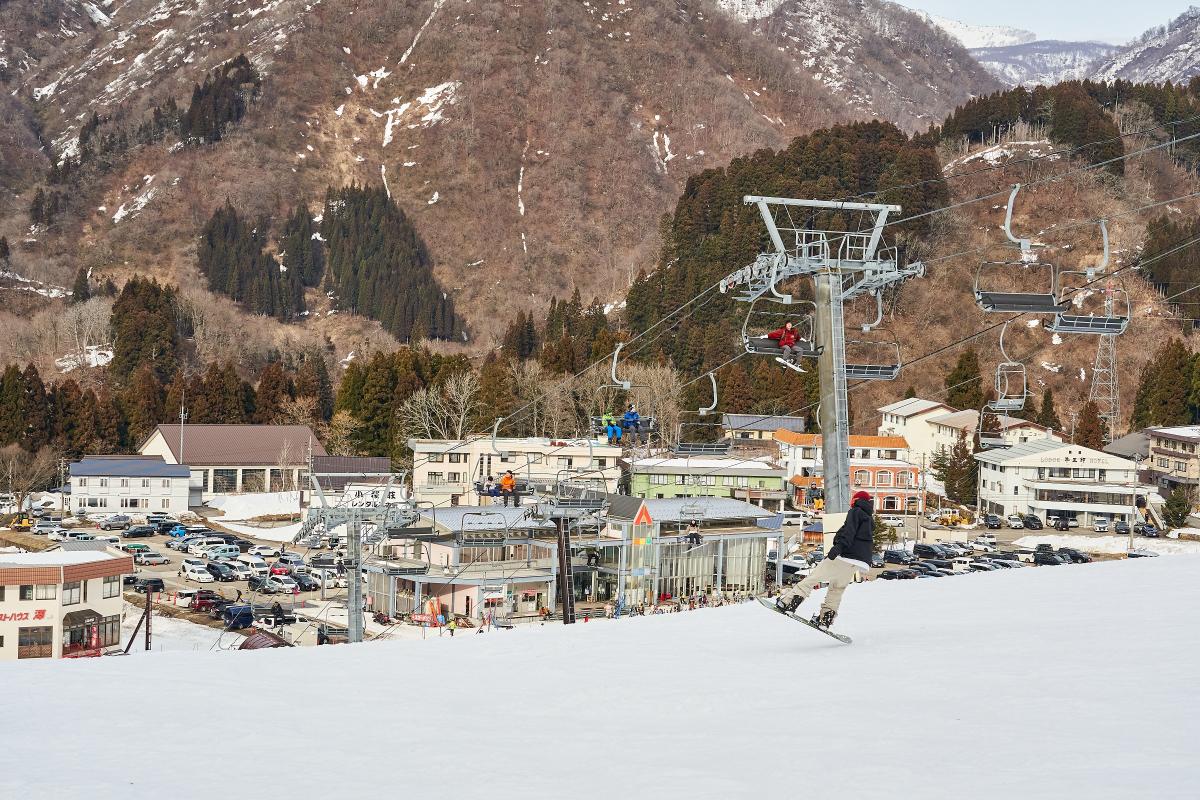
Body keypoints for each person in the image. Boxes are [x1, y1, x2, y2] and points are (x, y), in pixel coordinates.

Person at [775, 490, 875, 629]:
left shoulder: (855, 512)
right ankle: (825, 619)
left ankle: (788, 603)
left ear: (856, 500)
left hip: (845, 556)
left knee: (813, 578)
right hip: (858, 563)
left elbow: (849, 532)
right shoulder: (869, 519)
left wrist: (838, 548)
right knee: (836, 589)